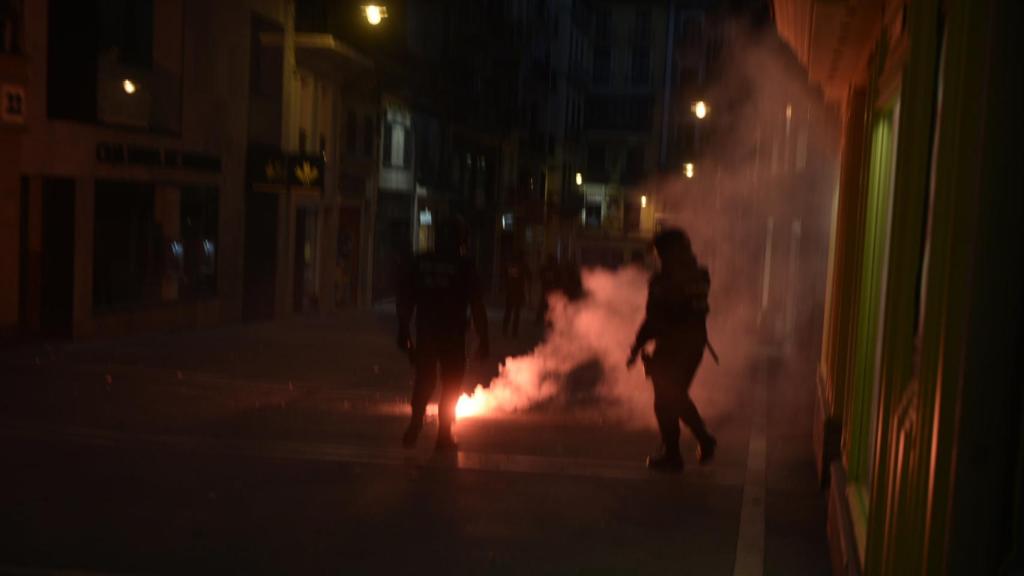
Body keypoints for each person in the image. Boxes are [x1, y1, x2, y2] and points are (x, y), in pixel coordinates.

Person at [627, 228, 717, 472]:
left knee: (666, 400)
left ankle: (675, 453)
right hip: (695, 345)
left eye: (660, 252)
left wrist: (637, 346)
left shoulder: (664, 281)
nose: (658, 257)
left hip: (672, 348)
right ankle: (699, 441)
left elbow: (654, 318)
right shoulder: (700, 275)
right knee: (675, 396)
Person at [397, 217, 489, 452]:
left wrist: (403, 328)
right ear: (460, 240)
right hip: (453, 334)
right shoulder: (464, 266)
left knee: (424, 380)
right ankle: (443, 435)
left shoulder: (421, 262)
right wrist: (483, 337)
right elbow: (477, 304)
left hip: (427, 332)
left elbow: (406, 298)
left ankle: (416, 421)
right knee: (451, 385)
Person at [502, 249, 530, 337]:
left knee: (508, 312)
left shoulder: (509, 265)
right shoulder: (522, 266)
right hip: (518, 292)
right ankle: (514, 332)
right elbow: (529, 276)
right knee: (516, 313)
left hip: (510, 292)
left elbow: (504, 277)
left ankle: (505, 330)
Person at [535, 254, 561, 325]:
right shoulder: (554, 268)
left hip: (548, 288)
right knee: (547, 305)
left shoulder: (549, 268)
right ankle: (545, 320)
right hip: (549, 288)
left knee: (545, 305)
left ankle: (543, 319)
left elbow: (541, 276)